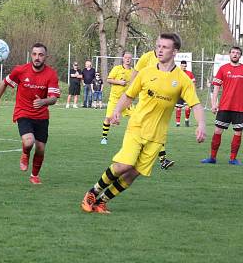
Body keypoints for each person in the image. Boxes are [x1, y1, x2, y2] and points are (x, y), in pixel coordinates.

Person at [81, 33, 206, 214]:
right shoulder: (146, 72)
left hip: (157, 136)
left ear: (175, 51)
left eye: (165, 47)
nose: (160, 50)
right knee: (124, 165)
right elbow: (129, 95)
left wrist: (201, 124)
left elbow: (195, 104)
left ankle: (102, 201)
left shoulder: (182, 79)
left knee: (133, 173)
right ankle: (92, 193)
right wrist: (116, 111)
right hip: (137, 127)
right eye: (158, 46)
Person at [0, 43, 60, 184]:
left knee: (40, 148)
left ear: (46, 57)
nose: (37, 57)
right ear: (31, 55)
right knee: (28, 141)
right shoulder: (20, 70)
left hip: (41, 116)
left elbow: (53, 98)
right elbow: (4, 83)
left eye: (40, 55)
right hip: (23, 112)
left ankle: (34, 175)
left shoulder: (51, 74)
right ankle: (25, 153)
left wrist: (43, 101)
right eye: (34, 54)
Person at [201, 46, 243, 166]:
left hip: (240, 108)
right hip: (224, 106)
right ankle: (212, 158)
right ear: (230, 54)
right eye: (233, 52)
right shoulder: (223, 69)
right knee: (218, 131)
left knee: (238, 133)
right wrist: (214, 103)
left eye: (238, 53)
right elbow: (216, 87)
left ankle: (233, 159)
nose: (235, 54)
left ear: (240, 56)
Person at [131, 47, 175, 170]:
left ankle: (159, 159)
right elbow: (135, 73)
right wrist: (131, 93)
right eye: (159, 45)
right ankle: (160, 159)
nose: (161, 48)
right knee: (151, 131)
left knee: (155, 131)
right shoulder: (146, 57)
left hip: (160, 101)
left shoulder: (167, 60)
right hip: (147, 101)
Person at [101, 51, 133, 145]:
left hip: (126, 101)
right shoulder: (117, 69)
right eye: (126, 57)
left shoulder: (133, 71)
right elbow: (108, 79)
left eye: (129, 58)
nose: (127, 59)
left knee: (135, 117)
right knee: (108, 118)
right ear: (123, 58)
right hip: (114, 99)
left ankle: (133, 138)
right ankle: (104, 137)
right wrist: (119, 82)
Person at [175, 60, 196, 127]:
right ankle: (178, 123)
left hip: (187, 93)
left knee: (187, 108)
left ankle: (186, 120)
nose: (184, 67)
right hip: (179, 94)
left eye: (185, 66)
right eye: (183, 66)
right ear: (180, 66)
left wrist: (194, 92)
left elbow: (193, 83)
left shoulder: (190, 73)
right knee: (178, 108)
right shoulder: (177, 73)